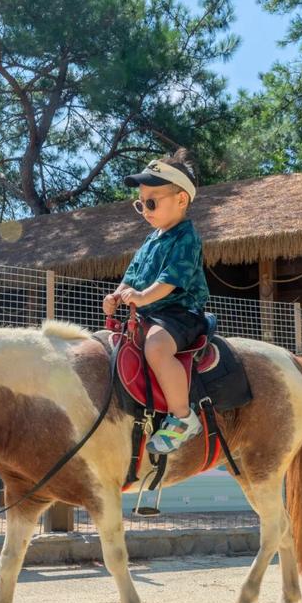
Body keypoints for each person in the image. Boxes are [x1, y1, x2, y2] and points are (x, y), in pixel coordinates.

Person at [102, 149, 210, 454]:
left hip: (180, 313)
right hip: (150, 314)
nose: (145, 210)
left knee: (157, 348)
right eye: (140, 204)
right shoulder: (151, 240)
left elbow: (170, 280)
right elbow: (132, 275)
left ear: (181, 200)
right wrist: (117, 295)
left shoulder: (186, 236)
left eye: (152, 202)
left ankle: (183, 417)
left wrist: (141, 297)